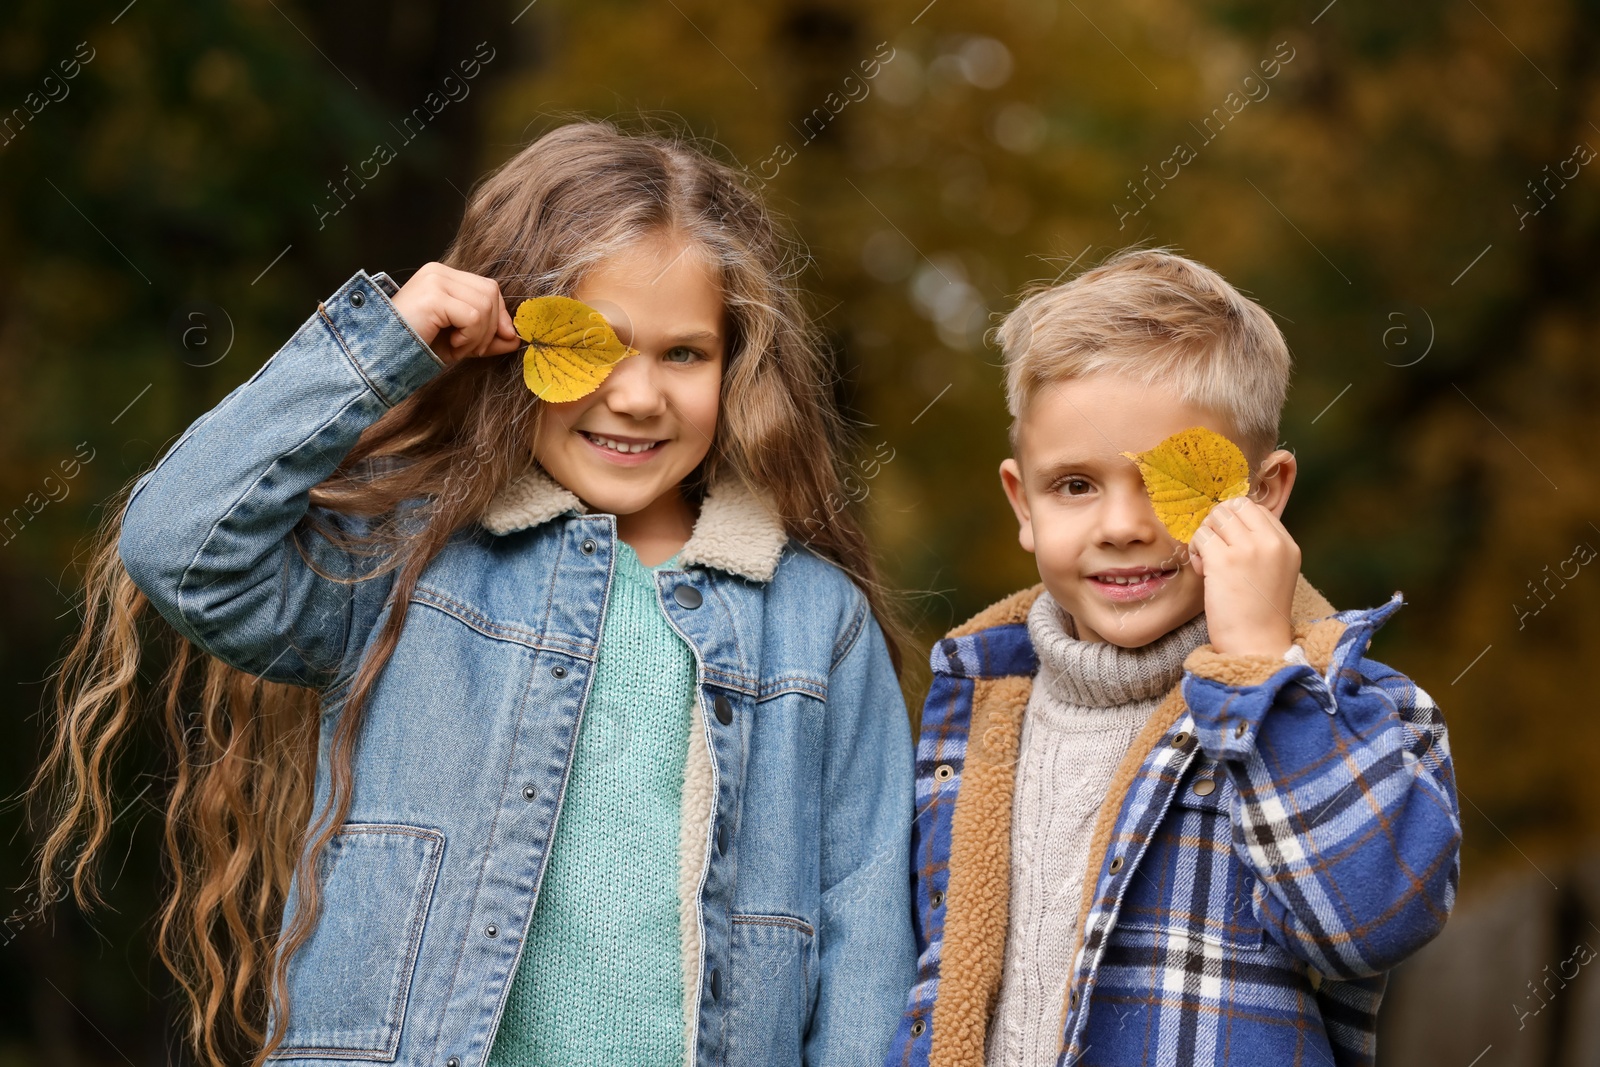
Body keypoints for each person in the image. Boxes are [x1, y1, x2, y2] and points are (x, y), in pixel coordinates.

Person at [29, 121, 915, 1067]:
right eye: (595, 344)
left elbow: (865, 935)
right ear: (512, 344)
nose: (638, 395)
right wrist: (386, 348)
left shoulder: (812, 620)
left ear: (736, 367)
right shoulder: (412, 565)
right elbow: (182, 542)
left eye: (684, 354)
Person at [885, 249, 1461, 1066]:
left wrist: (1264, 669)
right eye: (1075, 485)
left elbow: (1370, 921)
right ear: (1023, 500)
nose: (1122, 525)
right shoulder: (979, 705)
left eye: (1170, 482)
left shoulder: (1353, 705)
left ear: (1265, 494)